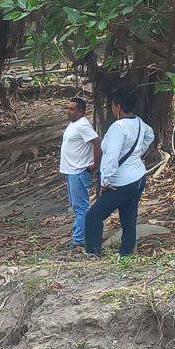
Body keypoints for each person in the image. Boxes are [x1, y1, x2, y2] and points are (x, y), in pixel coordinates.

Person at [84, 88, 155, 257]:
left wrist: (105, 181)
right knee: (129, 217)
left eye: (113, 105)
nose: (112, 108)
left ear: (118, 107)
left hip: (121, 181)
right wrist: (137, 154)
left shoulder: (118, 127)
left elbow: (112, 156)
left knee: (93, 216)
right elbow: (150, 135)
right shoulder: (139, 122)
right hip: (138, 177)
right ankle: (126, 252)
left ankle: (93, 253)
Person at [59, 97, 101, 249]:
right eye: (68, 108)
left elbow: (97, 142)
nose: (68, 111)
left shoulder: (83, 125)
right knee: (76, 206)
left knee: (81, 207)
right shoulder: (73, 124)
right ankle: (78, 236)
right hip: (71, 171)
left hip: (78, 171)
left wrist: (95, 164)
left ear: (81, 111)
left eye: (72, 109)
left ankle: (79, 240)